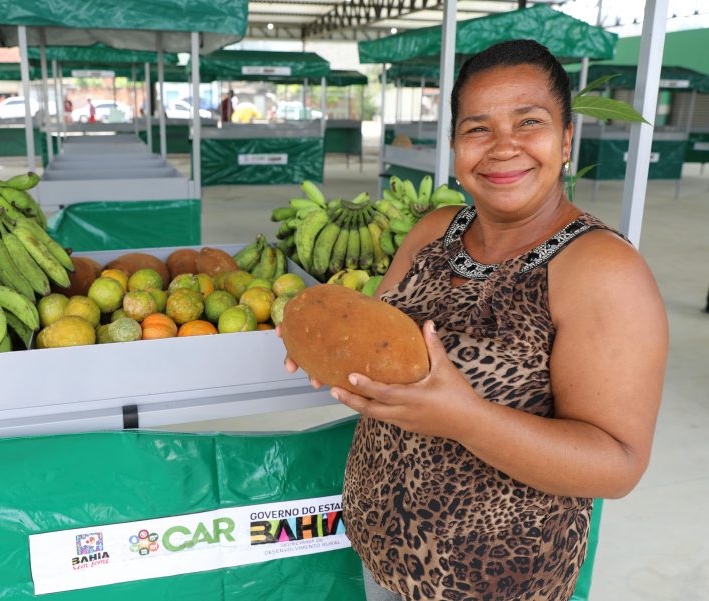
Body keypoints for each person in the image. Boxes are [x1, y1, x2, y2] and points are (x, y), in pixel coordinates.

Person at [284, 39, 668, 600]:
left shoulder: (601, 270)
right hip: (385, 551)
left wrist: (467, 418)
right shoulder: (433, 230)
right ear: (456, 145)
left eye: (528, 122)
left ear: (566, 141)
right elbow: (380, 345)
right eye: (478, 128)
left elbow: (618, 463)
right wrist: (328, 345)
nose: (503, 147)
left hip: (496, 580)